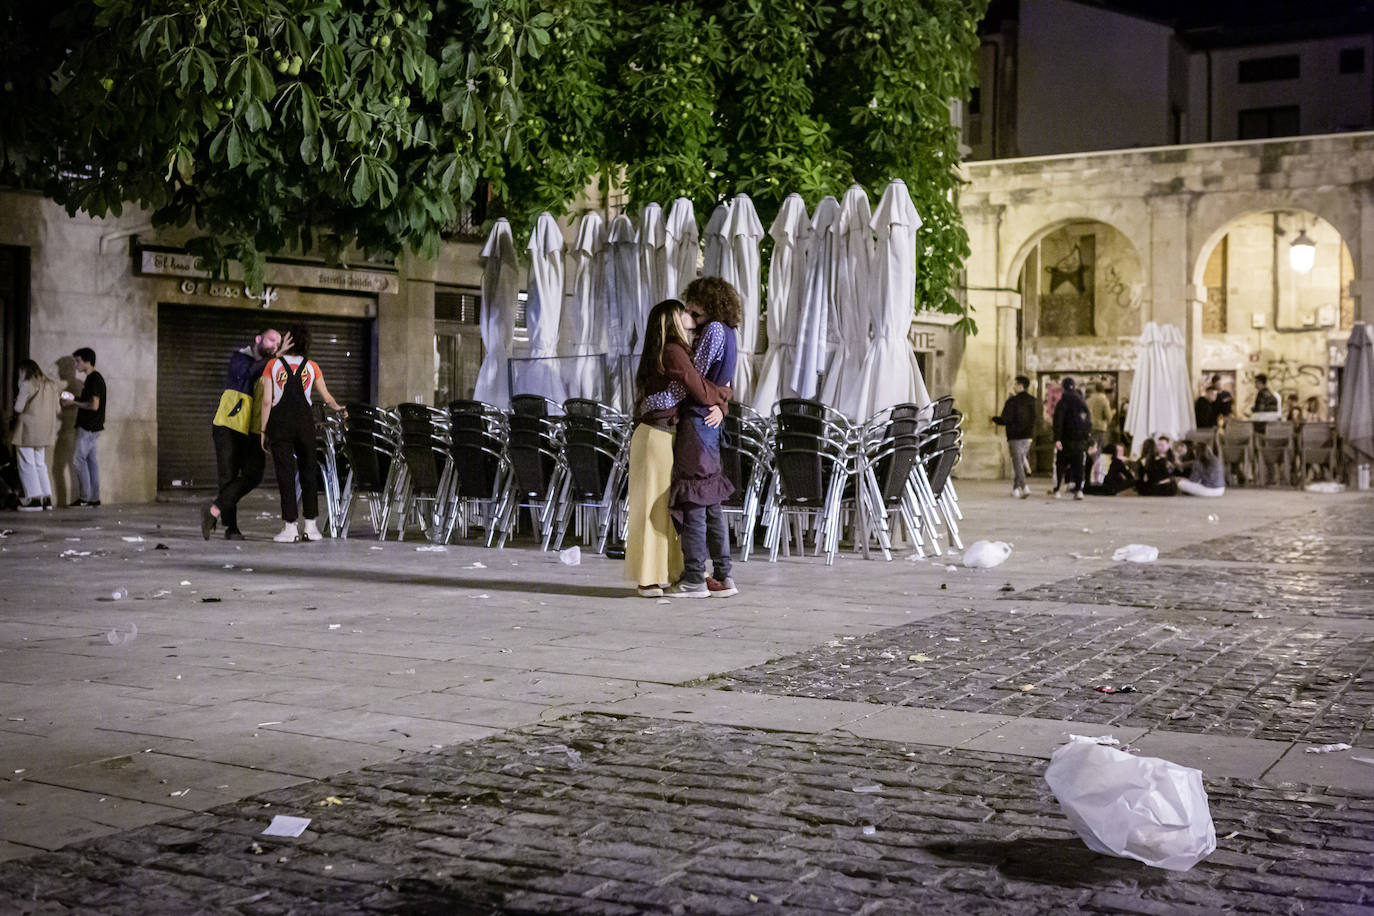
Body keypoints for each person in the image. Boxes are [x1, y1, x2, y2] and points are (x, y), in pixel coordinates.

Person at [625, 300, 729, 598]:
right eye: (684, 311)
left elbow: (704, 386)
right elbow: (698, 388)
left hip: (669, 437)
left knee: (672, 509)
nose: (690, 315)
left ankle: (672, 572)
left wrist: (721, 402)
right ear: (672, 319)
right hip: (656, 436)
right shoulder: (672, 351)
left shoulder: (682, 351)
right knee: (655, 508)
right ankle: (648, 577)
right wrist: (722, 398)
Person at [673, 277, 740, 599]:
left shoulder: (713, 330)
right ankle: (724, 575)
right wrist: (723, 404)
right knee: (711, 502)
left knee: (695, 503)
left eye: (693, 306)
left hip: (697, 422)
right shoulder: (730, 333)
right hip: (711, 423)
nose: (689, 312)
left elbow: (694, 376)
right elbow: (724, 379)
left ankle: (695, 577)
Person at [258, 326, 345, 543]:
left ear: (288, 341)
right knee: (308, 472)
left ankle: (290, 528)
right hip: (305, 423)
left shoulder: (273, 365)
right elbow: (327, 397)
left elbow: (267, 401)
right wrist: (339, 408)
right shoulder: (312, 366)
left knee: (286, 475)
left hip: (280, 423)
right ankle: (311, 527)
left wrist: (262, 430)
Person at [202, 328, 285, 539]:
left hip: (252, 429)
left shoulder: (270, 366)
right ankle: (231, 528)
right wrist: (276, 357)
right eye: (271, 340)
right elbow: (247, 373)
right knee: (227, 476)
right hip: (228, 426)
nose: (274, 346)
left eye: (278, 343)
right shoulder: (240, 357)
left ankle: (214, 509)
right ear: (258, 339)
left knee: (254, 474)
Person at [11, 360, 60, 510]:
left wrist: (19, 389)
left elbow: (18, 408)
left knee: (27, 464)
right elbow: (58, 409)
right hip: (45, 430)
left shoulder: (27, 384)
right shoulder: (51, 385)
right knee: (40, 464)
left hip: (28, 429)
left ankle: (34, 499)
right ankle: (46, 498)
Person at [64, 347, 105, 507]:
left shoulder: (93, 379)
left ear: (88, 361)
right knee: (91, 462)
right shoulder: (95, 379)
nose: (76, 365)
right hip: (93, 427)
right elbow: (91, 401)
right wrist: (74, 398)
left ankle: (85, 498)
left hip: (88, 427)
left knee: (78, 460)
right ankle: (93, 498)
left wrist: (73, 402)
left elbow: (94, 405)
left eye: (78, 361)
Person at [992, 376, 1036, 498]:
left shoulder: (1012, 402)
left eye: (1015, 384)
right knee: (1020, 461)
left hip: (1015, 436)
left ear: (1020, 386)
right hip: (1028, 436)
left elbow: (1005, 419)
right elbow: (1035, 418)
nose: (1014, 387)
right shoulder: (1033, 400)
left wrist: (993, 419)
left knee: (1017, 462)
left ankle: (1024, 486)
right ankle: (1015, 489)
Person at [1052, 377, 1092, 500]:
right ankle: (1079, 490)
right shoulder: (1082, 403)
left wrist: (1057, 439)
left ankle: (1058, 489)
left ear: (1063, 388)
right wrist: (1086, 436)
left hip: (1065, 439)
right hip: (1079, 440)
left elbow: (1058, 422)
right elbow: (1088, 421)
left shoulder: (1062, 403)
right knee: (1078, 466)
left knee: (1061, 465)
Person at [1086, 383, 1113, 448]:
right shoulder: (1104, 400)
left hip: (1090, 426)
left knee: (1091, 448)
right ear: (1103, 390)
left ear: (1095, 390)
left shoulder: (1088, 400)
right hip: (1100, 427)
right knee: (1098, 449)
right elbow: (1109, 416)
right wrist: (1113, 413)